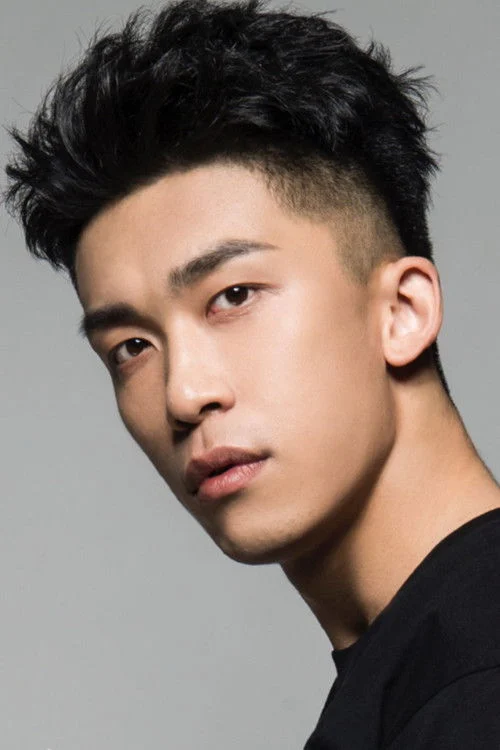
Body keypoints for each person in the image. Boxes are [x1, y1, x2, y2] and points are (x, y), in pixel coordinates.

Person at [4, 0, 500, 746]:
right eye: (131, 347)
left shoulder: (476, 689)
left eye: (233, 296)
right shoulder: (415, 683)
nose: (184, 394)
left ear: (402, 311)